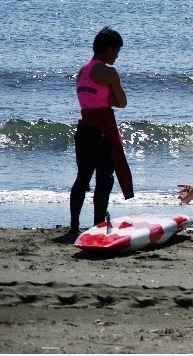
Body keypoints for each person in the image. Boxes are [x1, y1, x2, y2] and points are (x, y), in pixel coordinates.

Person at [69, 27, 134, 234]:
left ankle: (73, 226)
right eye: (116, 52)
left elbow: (90, 99)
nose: (116, 56)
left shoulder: (82, 70)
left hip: (85, 129)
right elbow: (122, 102)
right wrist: (112, 99)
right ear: (108, 49)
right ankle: (97, 225)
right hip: (103, 130)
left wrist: (109, 99)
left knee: (82, 178)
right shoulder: (108, 72)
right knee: (104, 178)